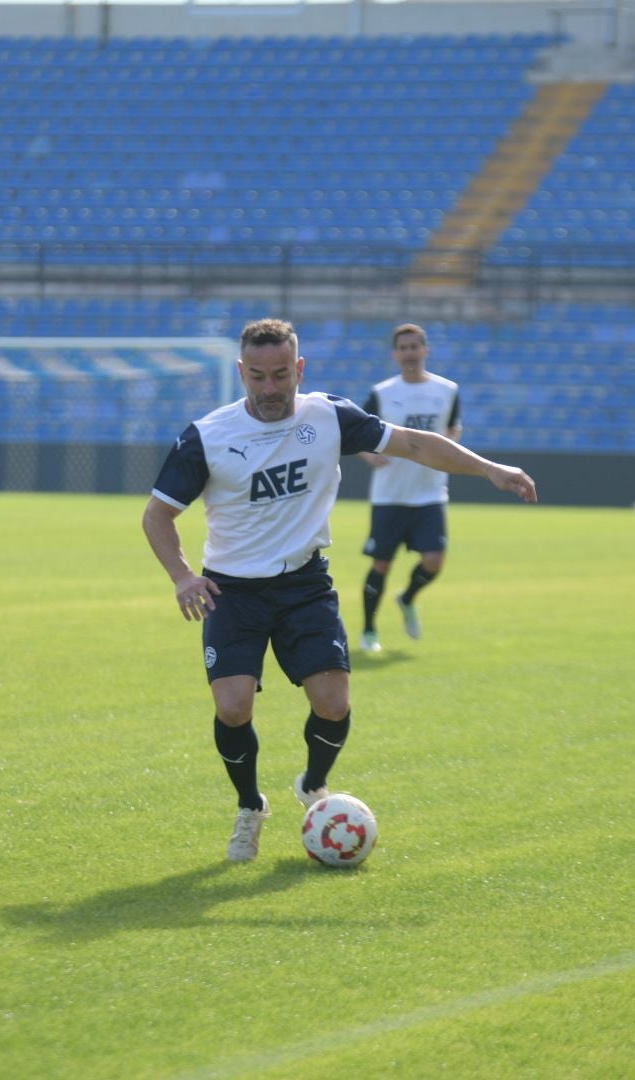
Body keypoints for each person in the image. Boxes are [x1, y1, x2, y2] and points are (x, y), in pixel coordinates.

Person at [142, 318, 537, 862]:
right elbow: (157, 515)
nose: (270, 388)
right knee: (233, 708)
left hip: (304, 584)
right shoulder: (207, 436)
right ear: (241, 372)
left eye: (281, 375)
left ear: (299, 369)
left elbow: (414, 444)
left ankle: (313, 784)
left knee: (332, 704)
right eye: (257, 376)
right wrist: (183, 576)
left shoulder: (328, 415)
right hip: (233, 591)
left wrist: (490, 469)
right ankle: (250, 806)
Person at [356, 323, 463, 654]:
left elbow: (453, 428)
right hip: (390, 495)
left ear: (425, 350)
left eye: (415, 346)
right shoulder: (382, 393)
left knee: (434, 560)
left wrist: (448, 450)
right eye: (403, 348)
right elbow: (356, 432)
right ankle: (369, 630)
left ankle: (407, 598)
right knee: (381, 564)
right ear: (395, 354)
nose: (409, 353)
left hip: (430, 493)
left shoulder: (447, 391)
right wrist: (370, 456)